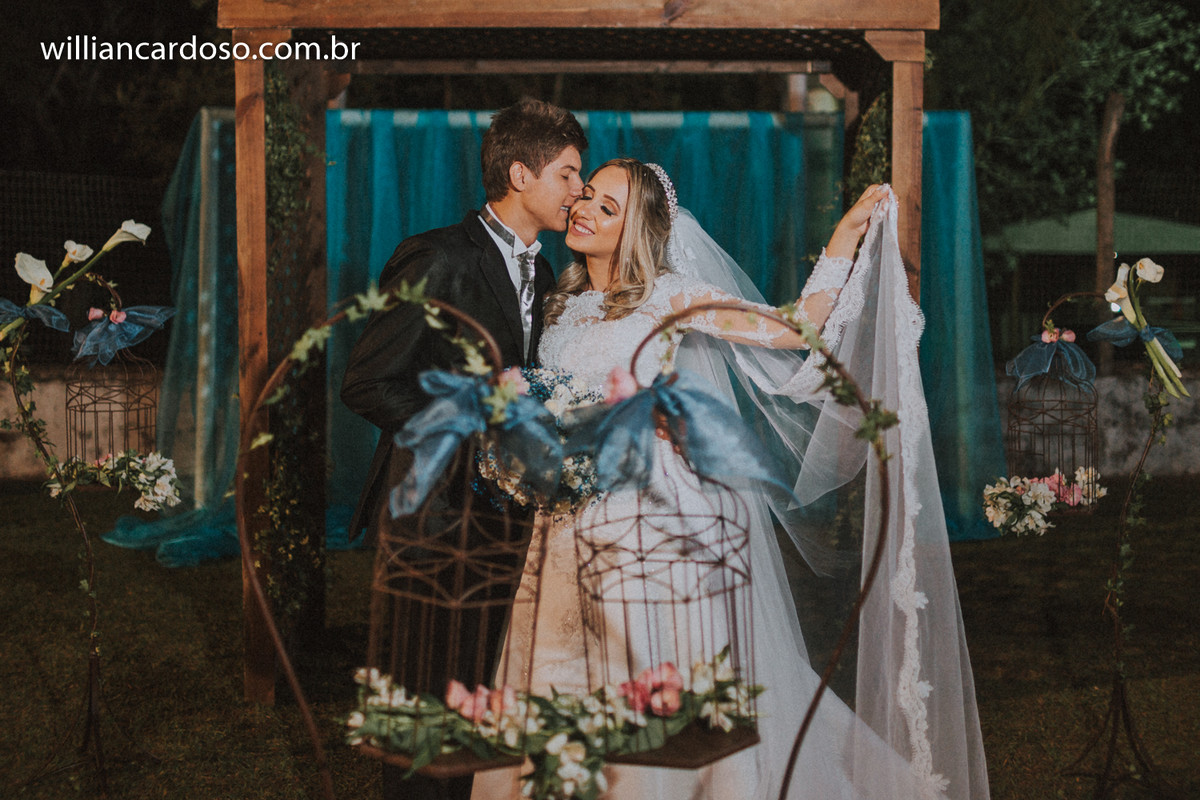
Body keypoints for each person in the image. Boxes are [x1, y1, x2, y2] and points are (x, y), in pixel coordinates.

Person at [473, 158, 990, 799]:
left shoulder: (671, 296)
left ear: (637, 229)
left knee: (644, 659)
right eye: (587, 195)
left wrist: (845, 237)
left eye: (608, 207)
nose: (584, 210)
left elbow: (794, 328)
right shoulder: (561, 303)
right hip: (564, 518)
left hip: (647, 512)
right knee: (562, 659)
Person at [340, 98, 588, 800]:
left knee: (477, 692)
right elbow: (368, 384)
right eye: (568, 175)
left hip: (504, 520)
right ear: (520, 174)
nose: (578, 192)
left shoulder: (545, 274)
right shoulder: (438, 257)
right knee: (424, 699)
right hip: (432, 514)